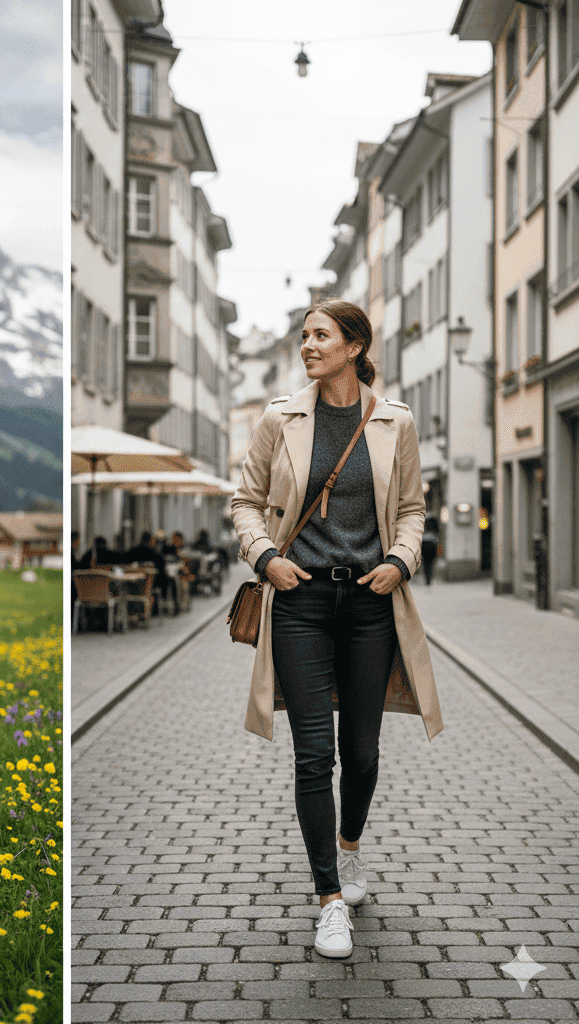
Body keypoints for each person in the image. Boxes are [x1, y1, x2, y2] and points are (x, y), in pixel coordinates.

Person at [230, 298, 442, 959]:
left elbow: (412, 509)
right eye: (304, 336)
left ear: (355, 346)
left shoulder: (394, 422)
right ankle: (328, 900)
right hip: (301, 602)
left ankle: (350, 847)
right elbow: (246, 502)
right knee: (313, 755)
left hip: (371, 603)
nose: (308, 346)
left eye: (321, 335)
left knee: (364, 753)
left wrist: (400, 561)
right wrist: (266, 557)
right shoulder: (280, 418)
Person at [420, 516, 439, 585]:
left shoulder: (424, 532)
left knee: (426, 565)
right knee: (430, 565)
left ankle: (427, 578)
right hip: (430, 547)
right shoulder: (433, 534)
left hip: (425, 547)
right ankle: (428, 578)